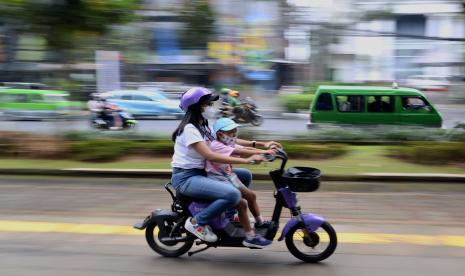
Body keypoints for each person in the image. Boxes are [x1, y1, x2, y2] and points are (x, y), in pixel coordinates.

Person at [170, 87, 281, 243]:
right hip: (187, 177)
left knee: (244, 175)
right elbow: (209, 155)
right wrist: (247, 160)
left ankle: (229, 214)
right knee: (233, 194)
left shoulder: (203, 125)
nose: (210, 107)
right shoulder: (190, 129)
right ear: (196, 106)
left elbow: (231, 140)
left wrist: (261, 145)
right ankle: (197, 223)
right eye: (207, 104)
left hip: (202, 172)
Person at [206, 118, 275, 248]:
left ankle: (259, 222)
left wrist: (264, 150)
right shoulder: (216, 145)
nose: (234, 135)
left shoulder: (228, 142)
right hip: (218, 178)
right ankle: (250, 237)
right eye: (231, 132)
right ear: (221, 134)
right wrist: (263, 152)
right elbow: (241, 152)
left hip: (228, 176)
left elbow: (244, 147)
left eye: (235, 131)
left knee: (251, 196)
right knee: (241, 203)